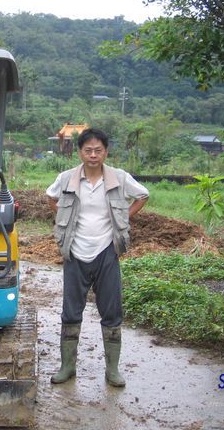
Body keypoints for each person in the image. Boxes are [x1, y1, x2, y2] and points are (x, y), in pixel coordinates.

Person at [46, 128, 148, 387]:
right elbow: (51, 196)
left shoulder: (119, 178)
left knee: (112, 311)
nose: (93, 155)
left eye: (98, 150)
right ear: (79, 152)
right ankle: (67, 366)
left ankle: (112, 370)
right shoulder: (67, 178)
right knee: (70, 312)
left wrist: (124, 219)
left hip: (106, 251)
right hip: (75, 252)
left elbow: (143, 195)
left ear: (106, 151)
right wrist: (65, 219)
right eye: (88, 150)